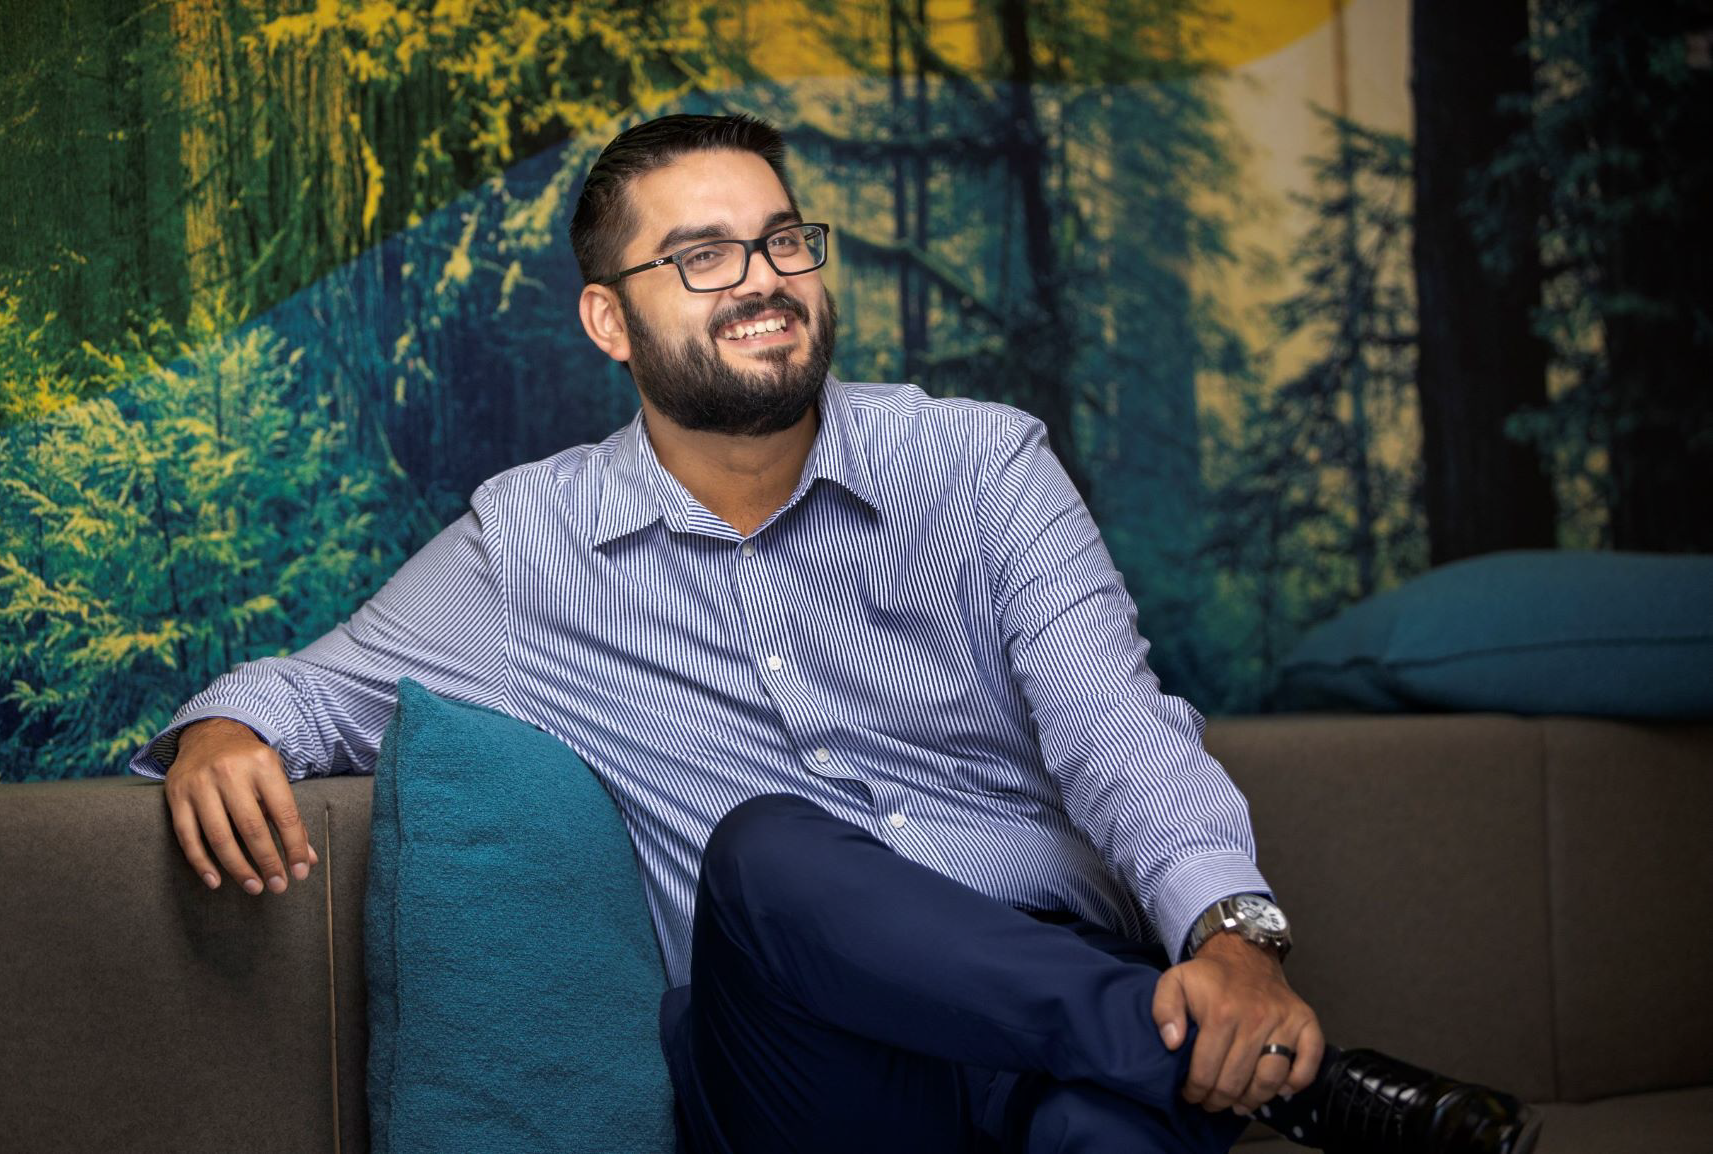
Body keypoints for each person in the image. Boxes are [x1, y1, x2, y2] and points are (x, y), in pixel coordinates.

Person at [132, 113, 1540, 1154]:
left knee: (1098, 1136)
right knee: (768, 852)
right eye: (700, 256)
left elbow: (1118, 732)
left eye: (782, 240)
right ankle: (1284, 1079)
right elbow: (303, 693)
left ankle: (1183, 1048)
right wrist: (220, 730)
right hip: (814, 1074)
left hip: (1056, 1012)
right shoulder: (528, 551)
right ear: (609, 321)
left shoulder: (982, 468)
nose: (762, 278)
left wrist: (1234, 937)